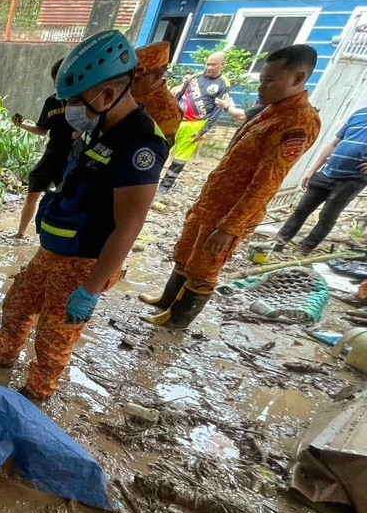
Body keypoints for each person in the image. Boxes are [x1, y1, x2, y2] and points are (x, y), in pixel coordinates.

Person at [0, 31, 166, 401]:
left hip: (84, 260)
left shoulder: (140, 142)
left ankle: (37, 393)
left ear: (106, 95)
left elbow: (130, 223)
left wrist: (91, 288)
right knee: (18, 302)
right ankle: (2, 356)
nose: (70, 108)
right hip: (55, 247)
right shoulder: (99, 125)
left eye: (76, 101)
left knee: (56, 334)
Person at [142, 45, 321, 328]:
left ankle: (177, 320)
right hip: (213, 201)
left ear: (297, 78)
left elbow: (266, 182)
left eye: (270, 80)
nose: (261, 86)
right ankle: (167, 301)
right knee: (187, 252)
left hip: (230, 212)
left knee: (204, 267)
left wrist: (230, 228)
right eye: (262, 79)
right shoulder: (270, 111)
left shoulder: (296, 122)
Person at [274, 106, 367, 253]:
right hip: (327, 173)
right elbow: (334, 144)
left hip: (352, 179)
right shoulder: (359, 113)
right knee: (301, 210)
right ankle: (279, 242)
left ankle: (305, 247)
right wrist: (313, 170)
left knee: (327, 216)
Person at [10, 59, 73, 238]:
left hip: (72, 159)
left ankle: (59, 237)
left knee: (66, 198)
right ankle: (20, 233)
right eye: (57, 79)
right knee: (33, 191)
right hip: (52, 155)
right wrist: (21, 125)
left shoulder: (84, 101)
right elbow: (42, 130)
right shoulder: (52, 101)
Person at [158, 51, 230, 193]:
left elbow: (217, 110)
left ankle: (165, 186)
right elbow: (179, 96)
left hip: (196, 124)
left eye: (213, 64)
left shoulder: (223, 83)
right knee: (161, 149)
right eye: (208, 63)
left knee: (180, 158)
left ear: (223, 65)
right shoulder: (194, 78)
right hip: (178, 120)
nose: (209, 67)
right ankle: (151, 179)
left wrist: (204, 130)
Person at [132, 41, 182, 145]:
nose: (129, 81)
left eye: (136, 78)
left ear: (156, 77)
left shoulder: (168, 111)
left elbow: (156, 151)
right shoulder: (132, 91)